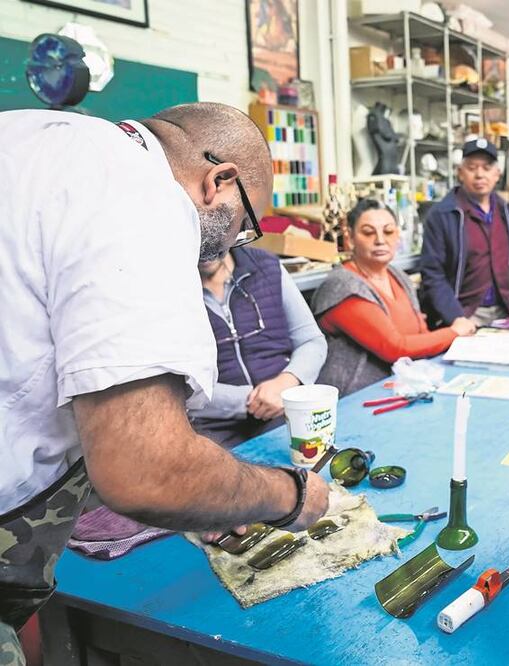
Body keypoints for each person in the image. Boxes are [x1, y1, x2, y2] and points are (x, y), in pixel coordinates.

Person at [0, 103, 330, 661]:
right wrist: (289, 496)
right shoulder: (142, 199)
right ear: (219, 180)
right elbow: (146, 471)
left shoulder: (33, 135)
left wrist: (208, 499)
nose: (235, 246)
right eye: (245, 225)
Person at [314, 200, 476, 395]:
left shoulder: (399, 276)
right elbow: (395, 348)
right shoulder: (343, 286)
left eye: (388, 231)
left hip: (403, 387)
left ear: (398, 236)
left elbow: (421, 335)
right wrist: (454, 332)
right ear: (350, 238)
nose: (380, 240)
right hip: (355, 397)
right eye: (368, 232)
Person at [189, 246, 328, 448]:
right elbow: (174, 381)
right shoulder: (167, 291)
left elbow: (311, 341)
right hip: (213, 427)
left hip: (285, 410)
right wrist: (250, 401)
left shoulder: (265, 266)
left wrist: (286, 382)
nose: (206, 246)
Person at [419, 138, 509, 327]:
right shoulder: (443, 215)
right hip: (466, 314)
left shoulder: (505, 211)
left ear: (497, 174)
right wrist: (455, 317)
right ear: (460, 173)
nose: (479, 175)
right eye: (472, 168)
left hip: (507, 310)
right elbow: (432, 274)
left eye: (486, 168)